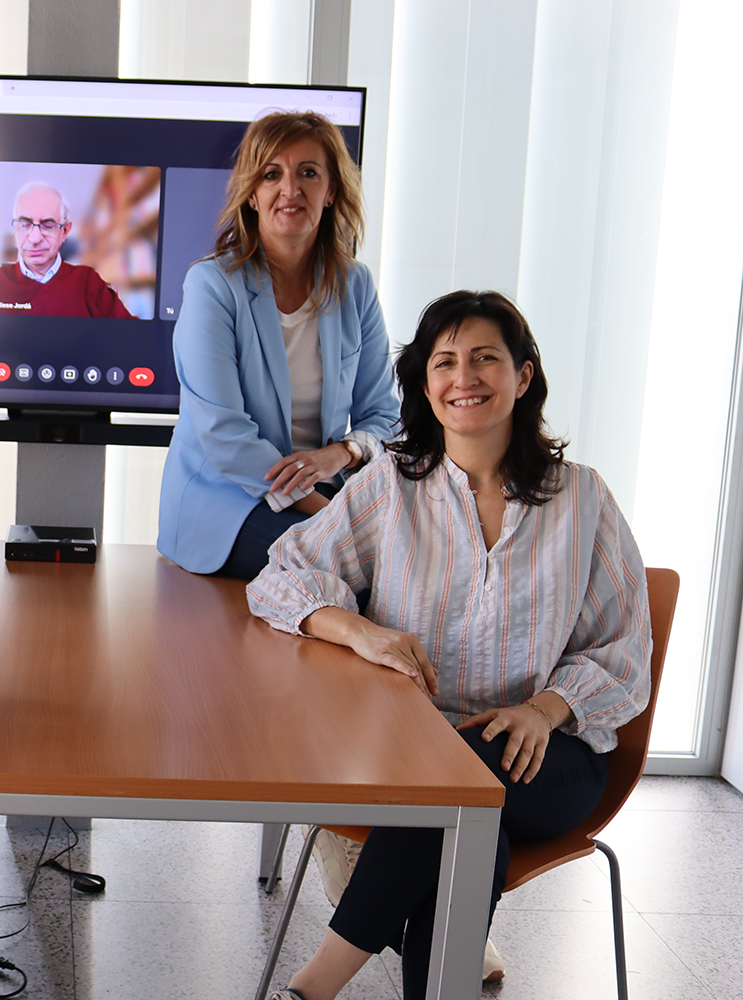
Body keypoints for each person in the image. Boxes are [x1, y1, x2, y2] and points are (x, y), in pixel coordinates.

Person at [247, 290, 652, 1000]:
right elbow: (280, 576)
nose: (464, 377)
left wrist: (548, 709)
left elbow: (624, 650)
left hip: (546, 758)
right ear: (426, 385)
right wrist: (361, 631)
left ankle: (314, 986)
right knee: (466, 822)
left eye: (485, 359)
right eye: (445, 362)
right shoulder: (390, 489)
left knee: (453, 792)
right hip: (407, 753)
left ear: (523, 376)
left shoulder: (583, 499)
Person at [157, 111, 398, 579]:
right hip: (227, 499)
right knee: (346, 568)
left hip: (332, 489)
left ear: (331, 191)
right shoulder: (212, 286)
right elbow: (225, 436)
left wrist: (344, 453)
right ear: (252, 193)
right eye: (272, 174)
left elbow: (383, 416)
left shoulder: (356, 286)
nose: (291, 189)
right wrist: (329, 513)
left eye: (308, 172)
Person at [0, 182, 134, 318]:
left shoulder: (89, 284)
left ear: (64, 232)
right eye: (25, 225)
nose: (35, 239)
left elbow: (133, 336)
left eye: (48, 225)